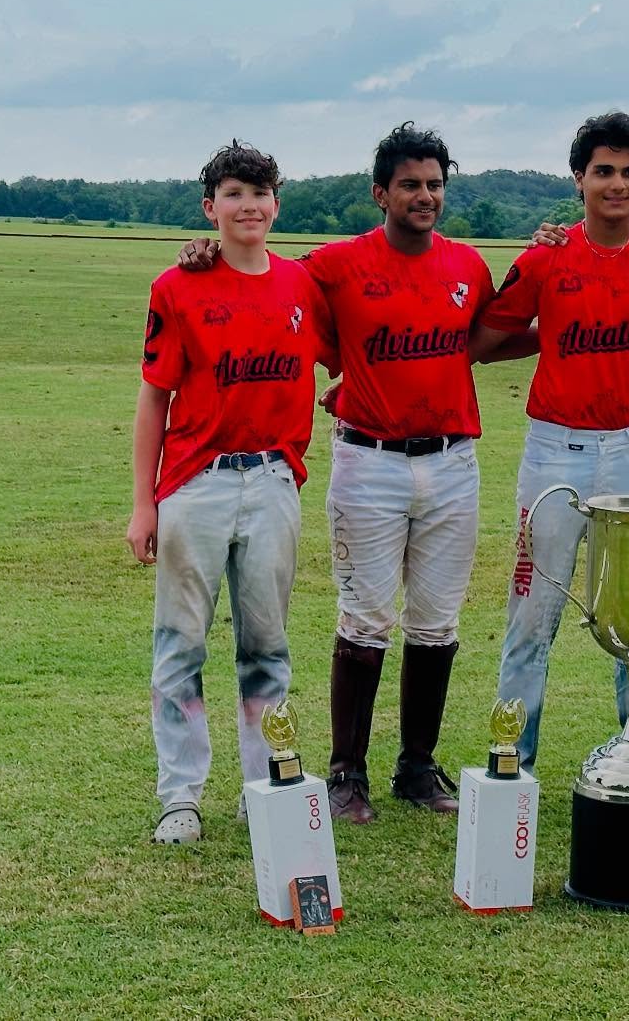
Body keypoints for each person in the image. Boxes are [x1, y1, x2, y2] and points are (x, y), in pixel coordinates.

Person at [181, 124, 495, 824]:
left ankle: (417, 766)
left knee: (438, 622)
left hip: (452, 461)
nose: (424, 196)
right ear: (380, 192)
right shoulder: (335, 265)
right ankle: (347, 773)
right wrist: (208, 253)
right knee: (366, 618)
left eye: (435, 184)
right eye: (410, 184)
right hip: (369, 461)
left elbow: (483, 335)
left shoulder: (469, 265)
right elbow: (264, 278)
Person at [470, 112, 629, 771]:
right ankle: (513, 759)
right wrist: (556, 334)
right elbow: (483, 343)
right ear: (579, 178)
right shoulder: (546, 257)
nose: (618, 184)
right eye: (604, 171)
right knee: (533, 614)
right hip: (555, 453)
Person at [127, 140, 337, 846]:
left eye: (260, 192)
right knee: (180, 646)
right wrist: (143, 501)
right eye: (234, 194)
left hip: (274, 481)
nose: (249, 206)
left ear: (277, 202)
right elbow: (154, 400)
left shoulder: (304, 285)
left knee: (266, 648)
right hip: (197, 483)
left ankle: (265, 785)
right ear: (209, 206)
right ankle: (180, 796)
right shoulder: (178, 286)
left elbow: (356, 348)